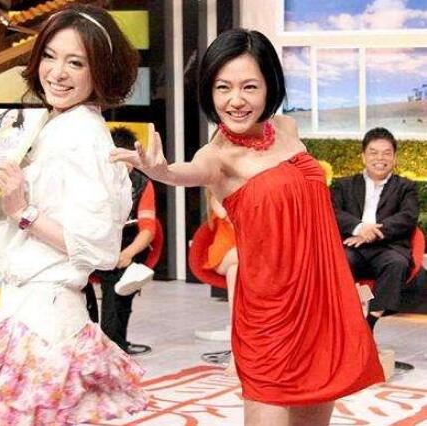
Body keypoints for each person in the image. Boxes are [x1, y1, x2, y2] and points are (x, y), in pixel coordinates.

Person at [110, 28, 384, 425]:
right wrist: (161, 171)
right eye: (223, 87)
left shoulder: (287, 129)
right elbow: (186, 172)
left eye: (249, 87)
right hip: (269, 310)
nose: (235, 100)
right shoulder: (217, 157)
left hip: (321, 298)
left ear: (270, 87)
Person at [0, 5, 148, 424]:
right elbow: (1, 234)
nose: (57, 73)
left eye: (76, 62)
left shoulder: (84, 137)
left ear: (100, 70)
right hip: (20, 314)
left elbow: (98, 248)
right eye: (50, 56)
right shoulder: (47, 127)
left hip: (47, 323)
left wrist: (23, 210)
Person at [331, 127, 420, 332]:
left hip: (388, 247)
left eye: (386, 153)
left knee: (396, 263)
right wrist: (359, 228)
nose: (380, 158)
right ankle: (343, 317)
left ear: (394, 158)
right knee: (339, 260)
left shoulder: (406, 187)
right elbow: (332, 212)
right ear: (363, 156)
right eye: (373, 152)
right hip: (352, 247)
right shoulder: (343, 185)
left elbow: (408, 217)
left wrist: (370, 234)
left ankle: (369, 323)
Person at [85, 126, 157, 356]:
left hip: (128, 246)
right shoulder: (91, 181)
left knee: (119, 285)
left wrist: (127, 254)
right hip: (93, 243)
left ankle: (114, 346)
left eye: (128, 159)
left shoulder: (143, 184)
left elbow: (148, 230)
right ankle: (91, 343)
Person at [196, 189, 238, 375]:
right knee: (245, 257)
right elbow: (228, 216)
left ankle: (237, 357)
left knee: (236, 272)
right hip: (225, 252)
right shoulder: (216, 193)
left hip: (240, 258)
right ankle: (236, 357)